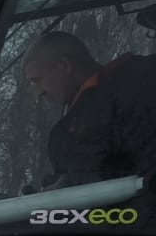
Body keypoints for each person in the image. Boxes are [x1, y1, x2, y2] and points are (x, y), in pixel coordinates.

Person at [20, 30, 156, 188]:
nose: (38, 93)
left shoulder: (102, 113)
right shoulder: (138, 78)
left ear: (65, 65)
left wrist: (66, 191)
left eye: (37, 80)